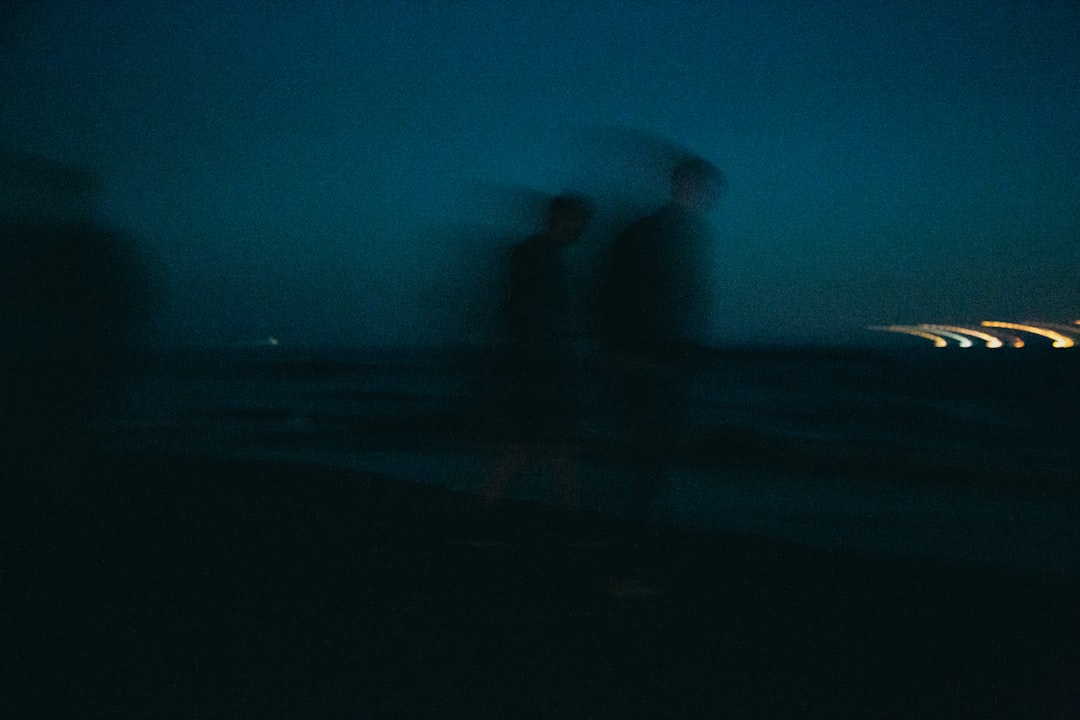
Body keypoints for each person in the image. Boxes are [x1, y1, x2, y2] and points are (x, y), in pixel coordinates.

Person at [594, 155, 726, 524]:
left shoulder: (668, 231)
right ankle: (633, 563)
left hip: (661, 362)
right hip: (654, 363)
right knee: (652, 461)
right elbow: (617, 295)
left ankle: (639, 549)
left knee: (651, 460)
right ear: (684, 184)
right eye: (707, 188)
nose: (712, 197)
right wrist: (636, 354)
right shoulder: (660, 232)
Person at [481, 193, 594, 518]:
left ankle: (570, 518)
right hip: (541, 371)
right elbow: (524, 317)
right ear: (559, 218)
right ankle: (482, 517)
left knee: (549, 447)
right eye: (578, 221)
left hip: (542, 369)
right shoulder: (536, 256)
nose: (581, 229)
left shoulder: (541, 255)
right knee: (539, 447)